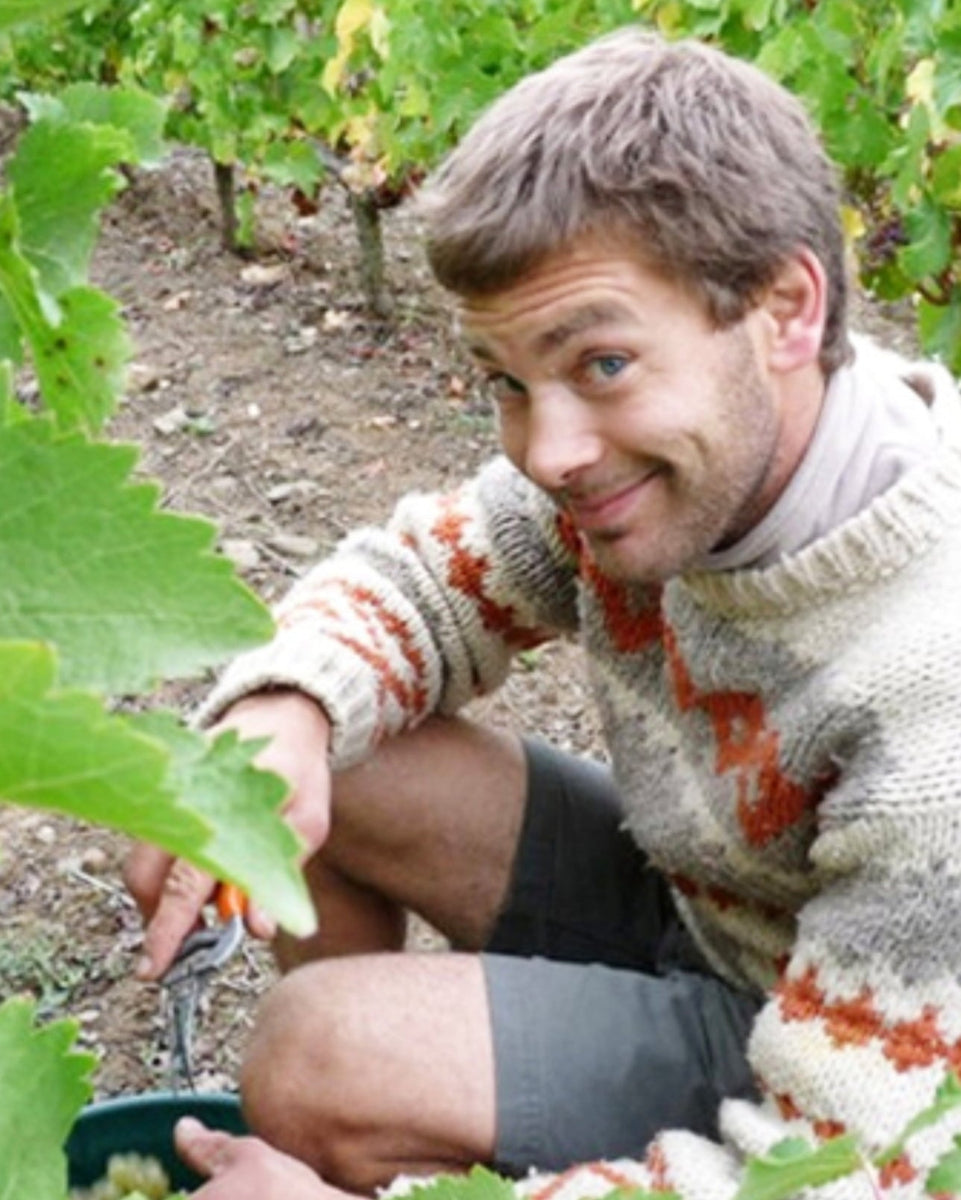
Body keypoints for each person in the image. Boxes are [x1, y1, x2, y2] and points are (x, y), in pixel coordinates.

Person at [125, 25, 961, 1200]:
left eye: (602, 365)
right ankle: (339, 1130)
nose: (548, 451)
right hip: (708, 922)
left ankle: (341, 1132)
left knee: (315, 1055)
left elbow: (846, 1176)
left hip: (830, 1088)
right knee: (323, 753)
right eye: (508, 383)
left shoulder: (937, 692)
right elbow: (420, 580)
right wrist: (283, 705)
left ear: (784, 308)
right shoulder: (667, 463)